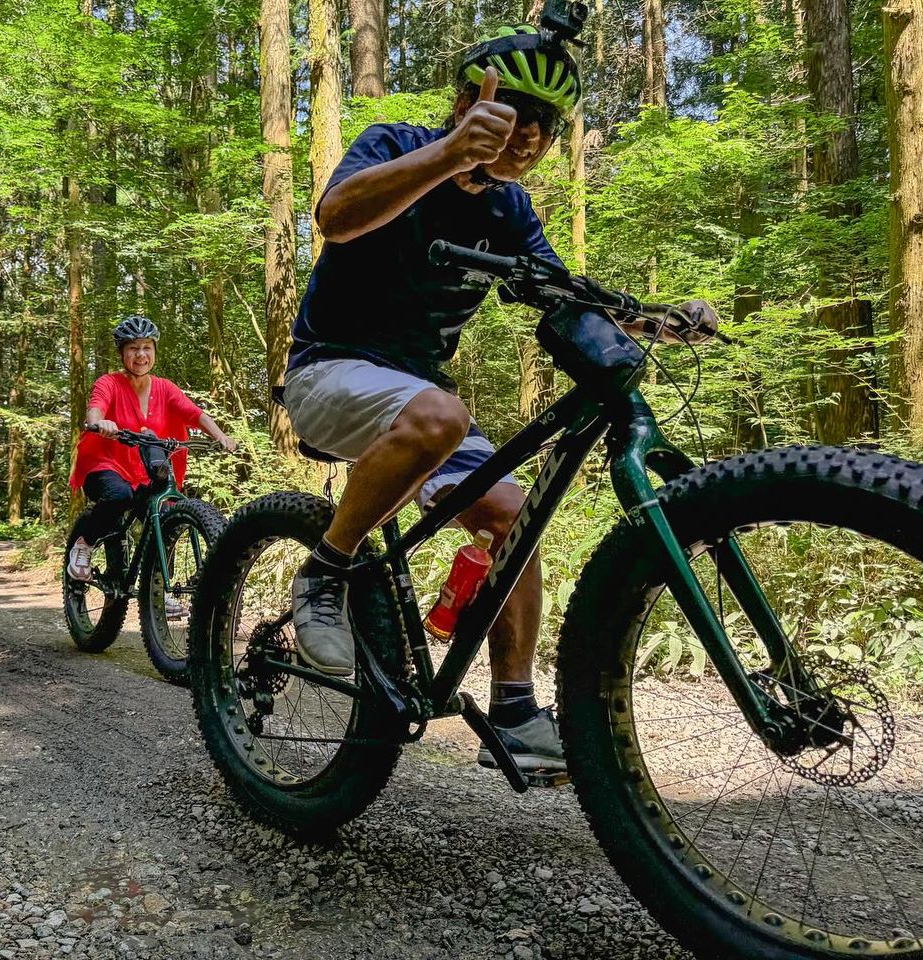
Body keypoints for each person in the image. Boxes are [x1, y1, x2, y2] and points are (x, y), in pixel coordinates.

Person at [281, 25, 718, 775]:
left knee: (512, 518)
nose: (531, 135)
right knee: (442, 413)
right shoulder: (394, 143)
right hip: (327, 372)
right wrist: (449, 156)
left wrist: (657, 321)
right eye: (516, 111)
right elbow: (336, 216)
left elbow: (561, 290)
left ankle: (514, 709)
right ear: (463, 101)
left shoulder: (507, 211)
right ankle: (324, 572)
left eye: (548, 124)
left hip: (416, 402)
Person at [67, 315, 237, 583]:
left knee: (163, 516)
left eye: (147, 347)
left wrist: (221, 436)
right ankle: (84, 544)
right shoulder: (109, 383)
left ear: (154, 351)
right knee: (118, 495)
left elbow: (194, 414)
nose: (141, 355)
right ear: (122, 352)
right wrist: (99, 423)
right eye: (133, 348)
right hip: (106, 463)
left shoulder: (165, 388)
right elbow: (96, 408)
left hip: (145, 469)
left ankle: (157, 587)